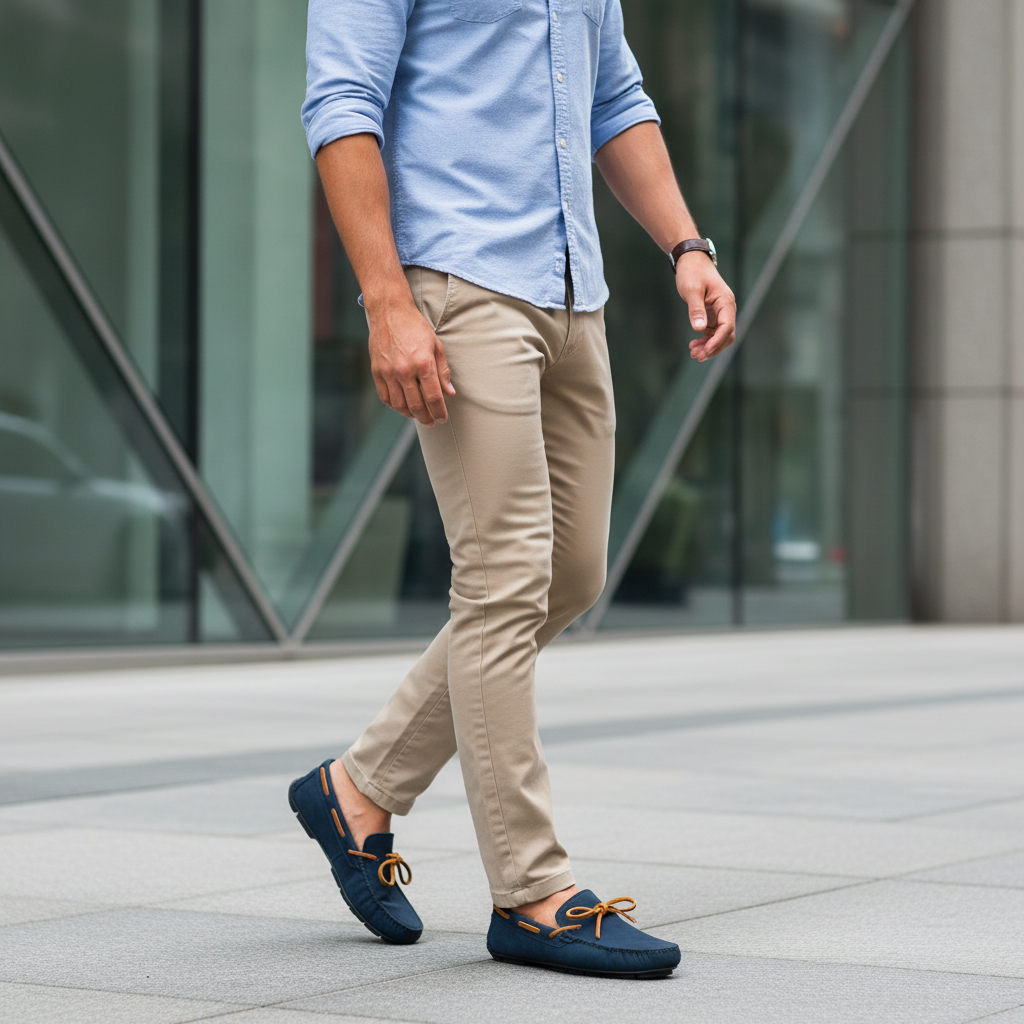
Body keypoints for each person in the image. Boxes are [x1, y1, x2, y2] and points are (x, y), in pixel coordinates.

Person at [288, 0, 736, 979]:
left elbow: (617, 96)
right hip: (457, 279)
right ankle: (531, 893)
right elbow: (342, 105)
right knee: (502, 578)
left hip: (574, 291)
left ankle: (357, 788)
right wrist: (387, 299)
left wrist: (687, 246)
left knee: (568, 573)